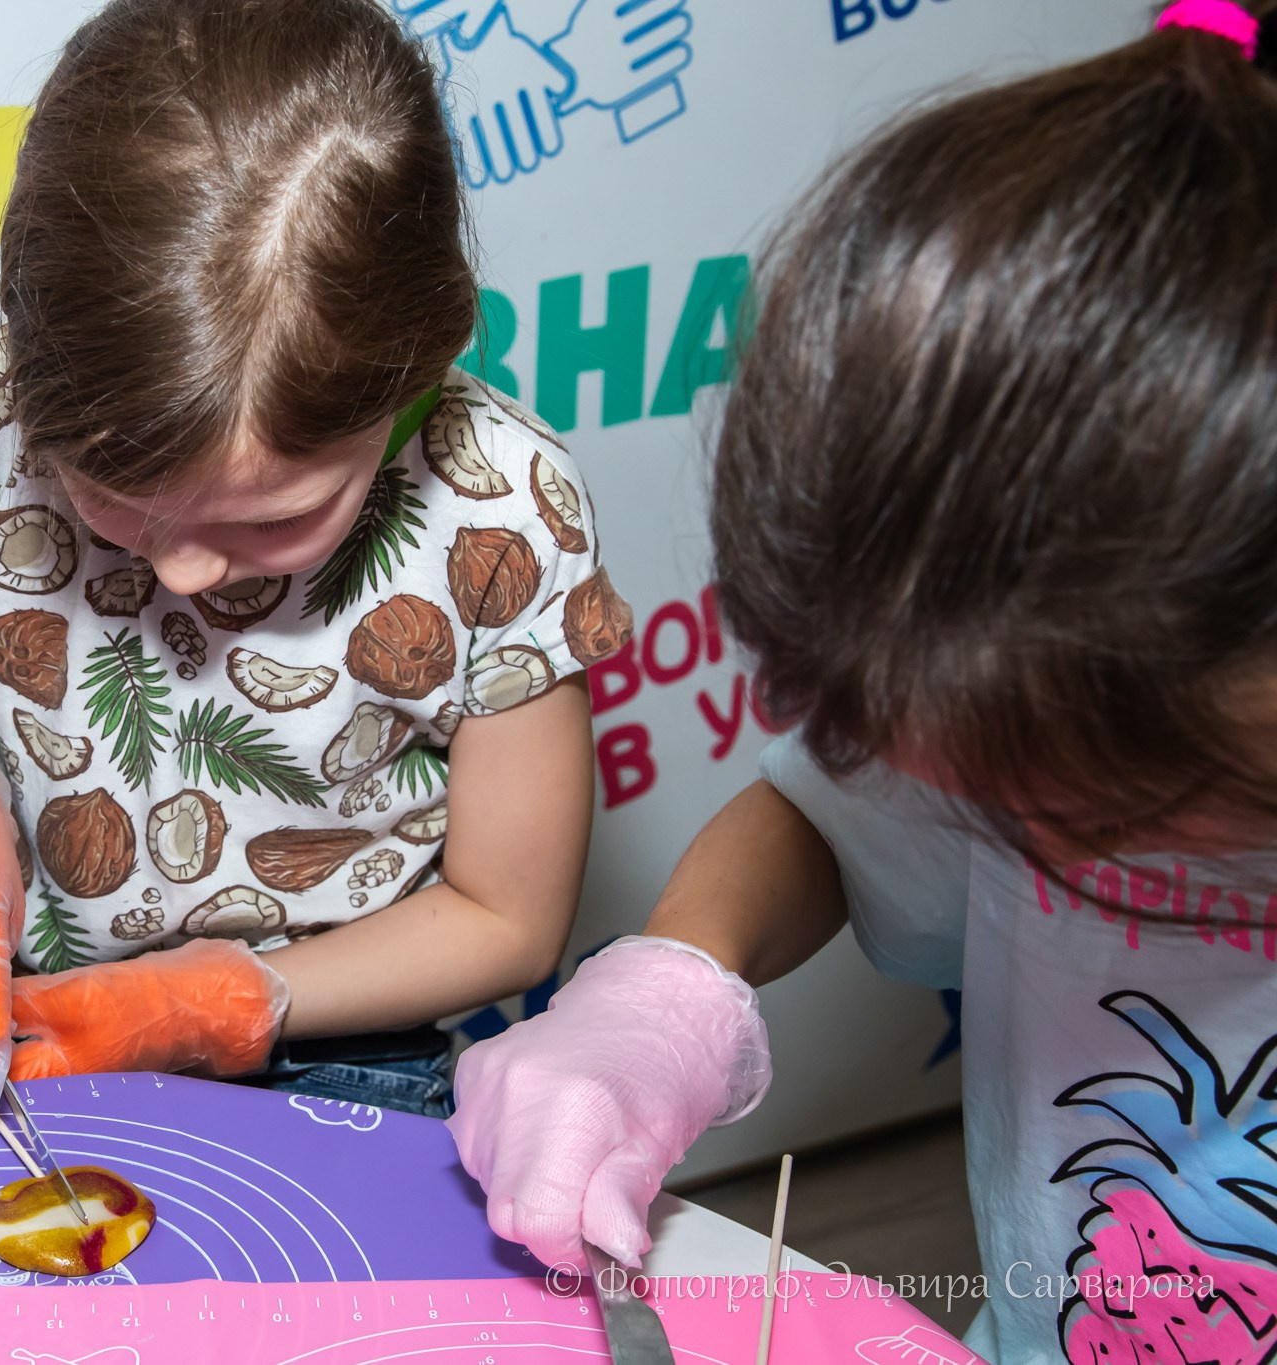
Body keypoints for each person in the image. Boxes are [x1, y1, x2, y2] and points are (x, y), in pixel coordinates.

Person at [446, 3, 1277, 1360]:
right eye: (964, 787)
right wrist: (670, 988)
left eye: (1066, 803)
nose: (997, 829)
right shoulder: (1036, 674)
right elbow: (833, 819)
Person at [0, 0, 629, 1121]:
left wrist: (223, 1001)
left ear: (419, 358)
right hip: (12, 1011)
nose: (181, 573)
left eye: (274, 521)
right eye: (110, 496)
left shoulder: (503, 519)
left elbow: (504, 916)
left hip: (333, 1036)